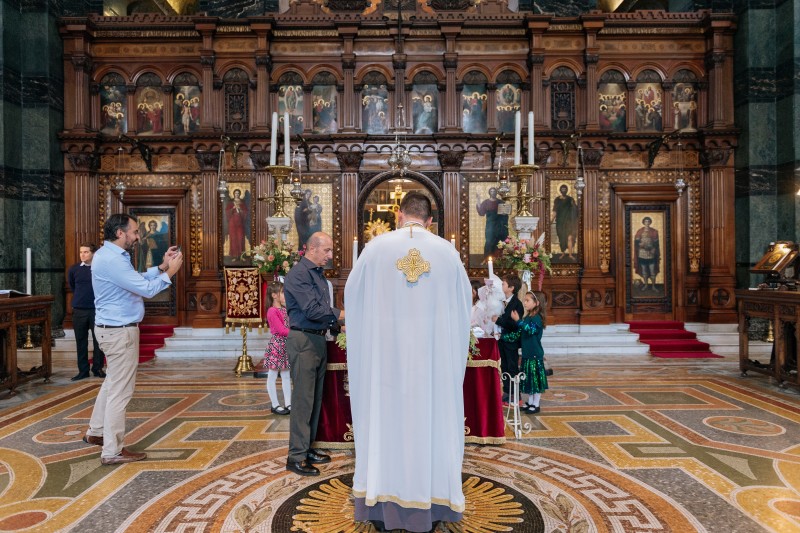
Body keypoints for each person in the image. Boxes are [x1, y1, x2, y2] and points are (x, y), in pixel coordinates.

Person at [345, 191, 472, 532]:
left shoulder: (376, 249)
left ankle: (383, 504)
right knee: (431, 424)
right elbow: (464, 310)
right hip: (432, 367)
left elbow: (352, 299)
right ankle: (433, 504)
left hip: (385, 366)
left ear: (399, 214)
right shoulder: (447, 252)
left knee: (386, 426)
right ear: (430, 220)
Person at [82, 213, 183, 465]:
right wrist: (170, 273)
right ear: (120, 233)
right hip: (119, 331)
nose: (138, 236)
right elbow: (146, 289)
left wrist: (160, 267)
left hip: (111, 328)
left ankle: (96, 432)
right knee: (120, 391)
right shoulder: (112, 260)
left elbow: (135, 280)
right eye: (135, 232)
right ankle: (112, 450)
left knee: (112, 383)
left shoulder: (110, 256)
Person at [283, 231, 344, 476]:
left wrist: (340, 326)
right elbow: (313, 310)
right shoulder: (298, 275)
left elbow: (324, 314)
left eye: (330, 251)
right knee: (303, 401)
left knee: (316, 399)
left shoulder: (317, 275)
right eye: (327, 250)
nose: (330, 256)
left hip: (317, 339)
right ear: (311, 249)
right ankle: (295, 456)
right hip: (303, 339)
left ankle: (307, 448)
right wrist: (343, 314)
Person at [67, 243, 106, 381]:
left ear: (94, 253)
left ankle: (97, 368)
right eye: (81, 252)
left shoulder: (100, 269)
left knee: (98, 341)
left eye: (86, 252)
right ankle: (83, 370)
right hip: (79, 310)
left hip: (97, 310)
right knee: (81, 341)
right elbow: (72, 286)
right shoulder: (74, 269)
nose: (82, 255)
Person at [511, 291, 549, 414]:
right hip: (527, 354)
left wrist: (518, 321)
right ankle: (531, 402)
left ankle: (536, 404)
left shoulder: (537, 318)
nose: (525, 303)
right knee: (529, 380)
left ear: (537, 303)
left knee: (535, 380)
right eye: (525, 300)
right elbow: (522, 332)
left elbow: (530, 330)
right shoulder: (528, 317)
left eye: (528, 300)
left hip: (534, 354)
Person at [493, 273, 523, 402]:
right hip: (502, 340)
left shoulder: (517, 304)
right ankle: (506, 391)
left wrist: (498, 321)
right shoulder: (502, 301)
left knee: (512, 367)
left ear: (511, 288)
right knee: (504, 366)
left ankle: (515, 394)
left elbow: (514, 324)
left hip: (511, 341)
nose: (501, 285)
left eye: (503, 283)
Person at [263, 281, 292, 416]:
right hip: (277, 344)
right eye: (282, 292)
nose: (285, 295)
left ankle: (288, 403)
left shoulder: (285, 309)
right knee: (273, 374)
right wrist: (297, 333)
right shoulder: (272, 311)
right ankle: (275, 404)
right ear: (274, 295)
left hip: (286, 344)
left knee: (286, 375)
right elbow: (281, 330)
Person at [475, 187, 510, 259]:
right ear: (489, 192)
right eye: (491, 191)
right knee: (489, 241)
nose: (493, 192)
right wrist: (478, 200)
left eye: (494, 191)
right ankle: (487, 258)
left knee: (500, 240)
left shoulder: (501, 202)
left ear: (496, 192)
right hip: (490, 225)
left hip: (500, 225)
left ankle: (499, 258)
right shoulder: (486, 202)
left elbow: (506, 213)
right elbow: (481, 213)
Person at [551, 184, 578, 259]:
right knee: (561, 238)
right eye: (562, 189)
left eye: (565, 189)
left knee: (569, 238)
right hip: (560, 221)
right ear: (560, 190)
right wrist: (551, 220)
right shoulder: (557, 200)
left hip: (569, 222)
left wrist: (574, 206)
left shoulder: (570, 199)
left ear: (567, 190)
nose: (563, 190)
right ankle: (563, 253)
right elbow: (555, 211)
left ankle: (570, 254)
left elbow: (575, 210)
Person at [634, 216, 660, 292]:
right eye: (646, 221)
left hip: (651, 254)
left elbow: (656, 243)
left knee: (652, 270)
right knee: (644, 270)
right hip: (642, 253)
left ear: (650, 222)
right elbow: (636, 242)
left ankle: (653, 286)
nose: (647, 223)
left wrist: (653, 249)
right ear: (643, 222)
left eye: (648, 221)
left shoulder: (654, 231)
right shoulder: (640, 231)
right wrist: (641, 245)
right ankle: (645, 285)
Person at [226, 189, 249, 257]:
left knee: (240, 238)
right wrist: (233, 208)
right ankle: (234, 255)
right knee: (233, 239)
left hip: (240, 223)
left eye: (238, 193)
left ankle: (241, 255)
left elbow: (246, 212)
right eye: (236, 193)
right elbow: (227, 212)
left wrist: (240, 210)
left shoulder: (242, 202)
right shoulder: (230, 202)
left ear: (240, 194)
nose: (237, 194)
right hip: (232, 223)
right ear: (233, 194)